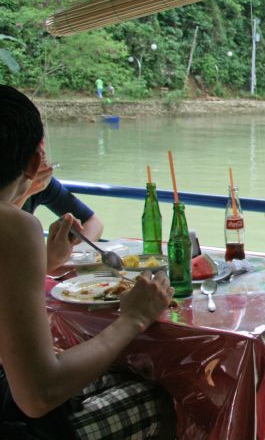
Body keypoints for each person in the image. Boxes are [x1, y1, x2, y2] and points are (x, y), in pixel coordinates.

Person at [0, 85, 175, 439]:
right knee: (160, 397)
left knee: (114, 375)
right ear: (35, 163)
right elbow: (39, 393)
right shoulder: (14, 228)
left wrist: (43, 262)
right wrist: (135, 317)